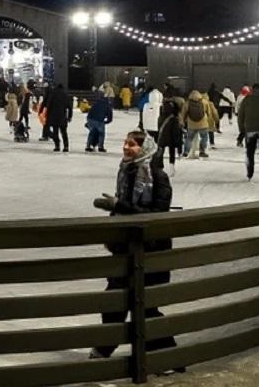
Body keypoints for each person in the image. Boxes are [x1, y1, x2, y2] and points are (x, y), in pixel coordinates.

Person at [88, 130, 178, 364]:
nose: (127, 148)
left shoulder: (157, 176)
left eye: (132, 145)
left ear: (145, 149)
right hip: (124, 250)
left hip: (152, 252)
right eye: (125, 143)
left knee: (147, 308)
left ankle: (167, 357)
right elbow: (125, 207)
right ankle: (105, 348)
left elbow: (157, 216)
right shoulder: (126, 171)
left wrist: (121, 206)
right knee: (113, 302)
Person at [180, 90, 218, 159]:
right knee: (204, 137)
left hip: (191, 124)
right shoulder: (204, 102)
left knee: (189, 138)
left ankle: (186, 152)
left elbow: (183, 114)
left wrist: (183, 121)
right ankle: (202, 151)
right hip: (203, 124)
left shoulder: (187, 103)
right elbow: (209, 113)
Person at [43, 83, 73, 152]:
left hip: (54, 116)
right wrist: (70, 116)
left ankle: (57, 146)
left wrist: (47, 115)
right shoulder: (65, 95)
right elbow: (70, 107)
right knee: (64, 132)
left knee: (55, 132)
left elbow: (49, 105)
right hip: (62, 116)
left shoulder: (53, 94)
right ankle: (66, 146)